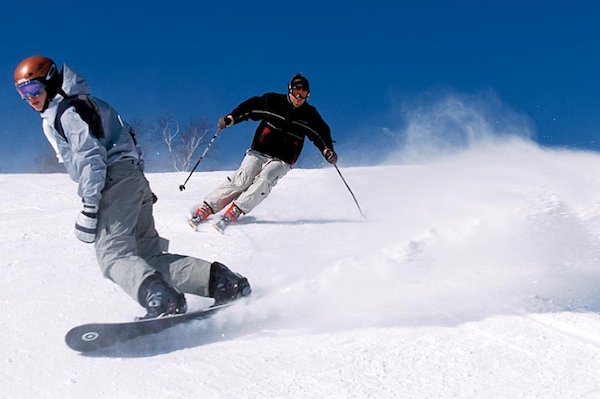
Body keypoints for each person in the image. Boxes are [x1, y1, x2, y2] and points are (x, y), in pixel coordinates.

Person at [14, 56, 251, 319]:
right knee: (148, 258)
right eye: (23, 93)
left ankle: (162, 299)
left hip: (112, 181)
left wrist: (90, 205)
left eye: (33, 89)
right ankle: (221, 281)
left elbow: (89, 157)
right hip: (131, 180)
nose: (30, 98)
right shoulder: (91, 105)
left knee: (113, 255)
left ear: (50, 80)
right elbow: (129, 139)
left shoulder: (66, 112)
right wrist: (137, 185)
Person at [189, 73, 337, 232]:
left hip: (283, 158)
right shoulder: (273, 101)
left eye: (304, 94)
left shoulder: (310, 115)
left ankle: (236, 210)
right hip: (260, 151)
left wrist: (327, 150)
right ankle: (207, 207)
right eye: (296, 92)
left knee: (265, 179)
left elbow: (321, 133)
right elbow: (250, 108)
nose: (299, 97)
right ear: (289, 90)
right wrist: (231, 118)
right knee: (242, 179)